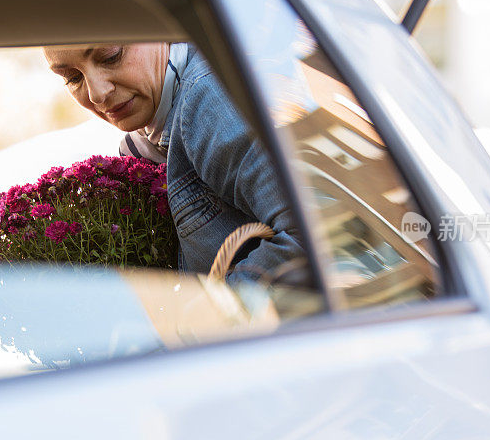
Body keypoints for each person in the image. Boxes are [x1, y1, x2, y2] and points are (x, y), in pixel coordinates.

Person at [44, 42, 306, 284]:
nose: (97, 94)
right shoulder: (141, 142)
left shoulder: (205, 104)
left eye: (111, 56)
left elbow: (306, 235)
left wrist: (215, 312)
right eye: (73, 78)